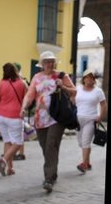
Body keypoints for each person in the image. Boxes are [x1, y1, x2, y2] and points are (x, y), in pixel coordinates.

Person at [20, 51, 76, 193]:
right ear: (42, 64)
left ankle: (48, 179)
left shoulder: (61, 75)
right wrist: (24, 108)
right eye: (47, 61)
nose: (50, 64)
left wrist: (62, 86)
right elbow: (30, 94)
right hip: (40, 117)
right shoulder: (37, 77)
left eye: (52, 61)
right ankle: (53, 171)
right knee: (46, 147)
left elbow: (74, 91)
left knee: (51, 144)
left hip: (57, 117)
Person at [0, 63, 28, 176]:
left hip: (1, 116)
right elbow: (27, 100)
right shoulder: (22, 83)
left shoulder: (0, 84)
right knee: (17, 143)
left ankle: (9, 168)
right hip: (15, 116)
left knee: (7, 141)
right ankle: (3, 159)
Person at [75, 70, 106, 173]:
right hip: (78, 120)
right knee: (81, 143)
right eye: (88, 77)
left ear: (94, 80)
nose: (90, 79)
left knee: (85, 142)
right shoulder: (78, 89)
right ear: (83, 79)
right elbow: (72, 99)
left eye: (92, 78)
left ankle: (83, 164)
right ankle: (87, 163)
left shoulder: (98, 91)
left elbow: (103, 105)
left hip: (91, 119)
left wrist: (100, 117)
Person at [14, 62, 28, 161]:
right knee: (15, 132)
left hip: (19, 110)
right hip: (15, 110)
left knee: (19, 132)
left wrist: (24, 108)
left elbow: (27, 96)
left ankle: (21, 153)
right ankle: (13, 151)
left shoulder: (22, 82)